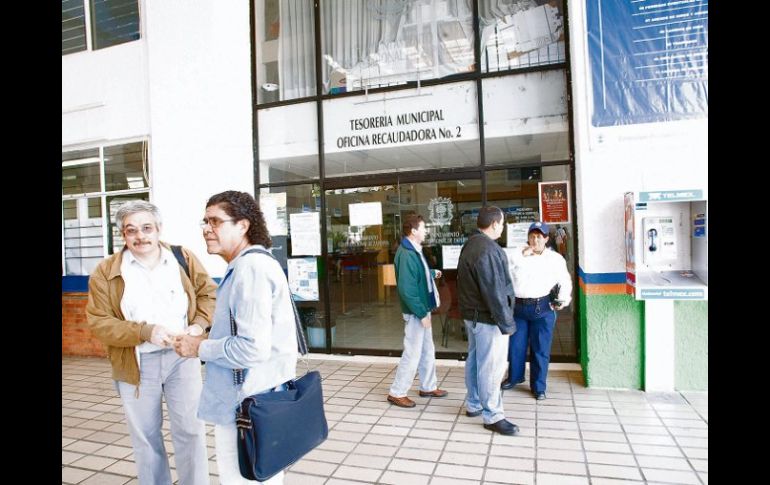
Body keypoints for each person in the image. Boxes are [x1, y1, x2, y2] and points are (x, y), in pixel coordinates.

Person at [85, 200, 215, 485]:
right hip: (136, 364)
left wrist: (198, 325)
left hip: (183, 359)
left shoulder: (183, 258)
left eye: (146, 228)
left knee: (191, 431)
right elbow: (100, 322)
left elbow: (209, 294)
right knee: (145, 437)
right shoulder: (106, 271)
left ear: (158, 229)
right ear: (123, 235)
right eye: (131, 230)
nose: (140, 236)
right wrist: (145, 332)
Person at [173, 190, 297, 484]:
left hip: (247, 406)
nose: (206, 229)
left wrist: (199, 347)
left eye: (215, 221)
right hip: (260, 399)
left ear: (243, 225)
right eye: (204, 221)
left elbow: (251, 349)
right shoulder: (252, 264)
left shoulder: (250, 268)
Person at [457, 206, 519, 435]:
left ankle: (474, 403)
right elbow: (494, 292)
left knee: (475, 361)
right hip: (488, 318)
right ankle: (492, 415)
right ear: (494, 224)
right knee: (491, 366)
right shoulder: (488, 250)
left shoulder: (471, 244)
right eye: (502, 223)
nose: (503, 227)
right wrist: (507, 323)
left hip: (472, 317)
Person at [501, 221, 572, 400]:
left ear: (546, 239)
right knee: (516, 345)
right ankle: (515, 377)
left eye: (539, 237)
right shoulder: (517, 253)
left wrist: (562, 300)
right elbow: (503, 272)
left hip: (543, 307)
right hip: (519, 307)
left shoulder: (554, 259)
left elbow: (565, 280)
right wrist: (522, 255)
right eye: (532, 236)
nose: (535, 240)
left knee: (540, 348)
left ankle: (538, 386)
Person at [386, 213, 448, 408]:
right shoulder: (406, 253)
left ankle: (428, 386)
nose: (425, 231)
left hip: (423, 308)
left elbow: (417, 275)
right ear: (413, 231)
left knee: (427, 349)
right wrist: (421, 313)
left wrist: (431, 273)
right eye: (423, 228)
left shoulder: (414, 249)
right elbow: (407, 289)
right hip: (416, 311)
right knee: (413, 352)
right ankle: (397, 392)